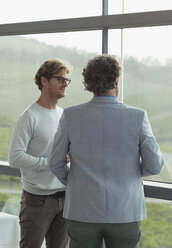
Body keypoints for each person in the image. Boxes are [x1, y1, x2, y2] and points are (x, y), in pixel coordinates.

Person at [49, 54, 164, 248]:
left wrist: (76, 180)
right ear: (116, 81)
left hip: (82, 210)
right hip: (125, 211)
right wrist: (129, 171)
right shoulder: (138, 116)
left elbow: (54, 163)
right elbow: (155, 165)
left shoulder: (70, 116)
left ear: (89, 84)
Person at [8, 58, 72, 248]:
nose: (65, 84)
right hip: (37, 201)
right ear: (44, 81)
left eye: (67, 80)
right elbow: (15, 157)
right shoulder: (28, 117)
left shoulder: (63, 115)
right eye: (60, 79)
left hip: (65, 196)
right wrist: (51, 162)